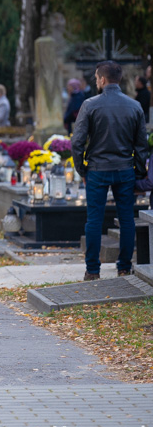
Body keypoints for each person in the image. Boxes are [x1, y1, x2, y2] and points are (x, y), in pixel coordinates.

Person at [71, 60, 147, 281]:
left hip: (97, 169)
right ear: (119, 79)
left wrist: (81, 169)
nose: (96, 81)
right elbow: (141, 146)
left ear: (102, 80)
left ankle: (93, 270)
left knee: (94, 219)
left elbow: (77, 142)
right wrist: (139, 174)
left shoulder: (90, 104)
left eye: (96, 78)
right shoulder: (134, 106)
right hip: (125, 169)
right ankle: (124, 267)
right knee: (127, 220)